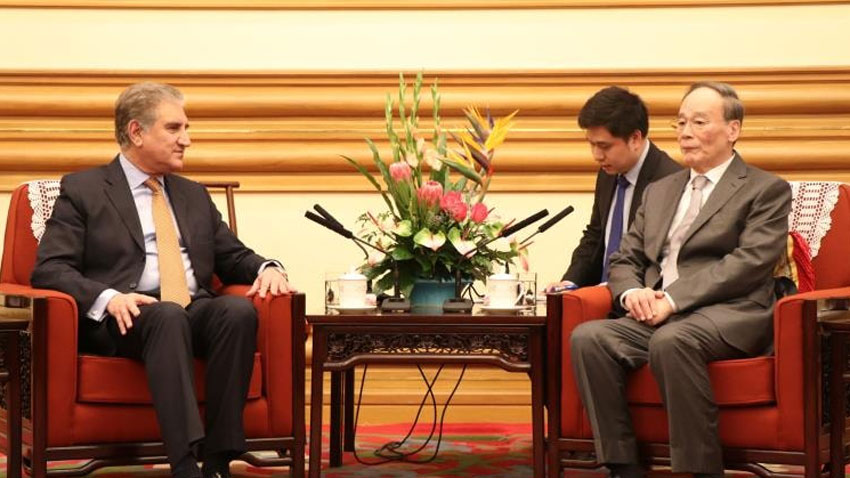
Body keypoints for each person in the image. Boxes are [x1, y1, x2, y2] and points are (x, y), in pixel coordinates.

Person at [31, 82, 296, 478]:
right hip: (128, 315)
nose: (186, 140)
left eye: (186, 129)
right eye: (174, 129)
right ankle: (185, 463)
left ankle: (220, 460)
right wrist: (109, 298)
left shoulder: (192, 194)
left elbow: (232, 255)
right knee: (167, 316)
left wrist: (268, 268)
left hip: (193, 309)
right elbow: (50, 268)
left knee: (238, 312)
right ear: (136, 132)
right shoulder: (84, 190)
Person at [570, 82, 791, 478]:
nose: (685, 132)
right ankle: (624, 466)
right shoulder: (660, 190)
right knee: (590, 338)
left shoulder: (765, 189)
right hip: (660, 312)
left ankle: (701, 470)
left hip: (729, 313)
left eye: (699, 122)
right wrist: (633, 293)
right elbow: (625, 257)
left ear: (733, 129)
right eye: (681, 122)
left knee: (674, 340)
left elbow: (749, 263)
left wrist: (671, 300)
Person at [547, 86, 680, 292]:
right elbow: (596, 236)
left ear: (635, 138)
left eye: (604, 146)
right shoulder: (608, 172)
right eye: (591, 144)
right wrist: (571, 281)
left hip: (640, 300)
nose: (596, 155)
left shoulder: (670, 181)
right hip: (600, 298)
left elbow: (661, 259)